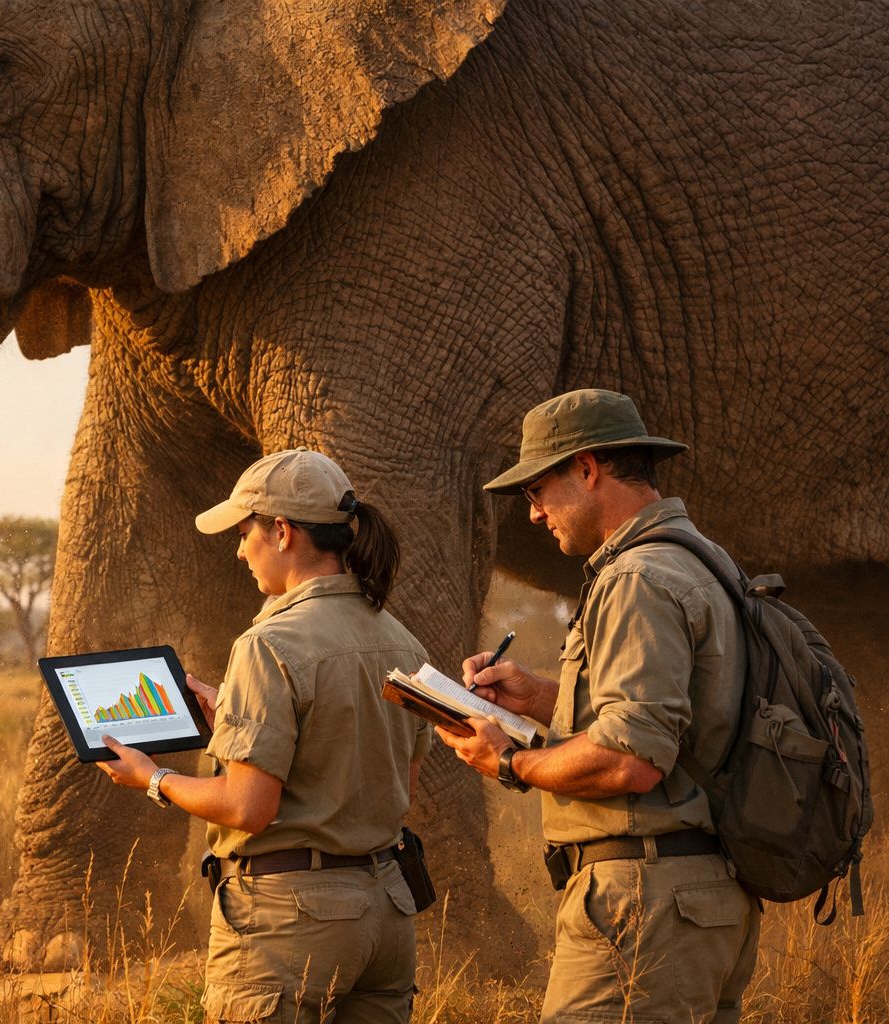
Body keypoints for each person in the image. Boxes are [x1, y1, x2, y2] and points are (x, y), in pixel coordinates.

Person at [436, 389, 758, 1022]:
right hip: (706, 901)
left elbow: (632, 760)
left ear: (587, 469)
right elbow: (678, 719)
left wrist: (509, 762)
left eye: (537, 491)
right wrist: (540, 698)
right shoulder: (703, 561)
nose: (534, 514)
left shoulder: (636, 578)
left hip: (643, 905)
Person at [97, 448, 432, 1024]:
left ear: (281, 531)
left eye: (243, 532)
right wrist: (232, 717)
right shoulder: (403, 640)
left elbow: (248, 808)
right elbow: (396, 783)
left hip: (290, 924)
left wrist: (154, 778)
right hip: (387, 914)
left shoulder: (268, 643)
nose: (239, 549)